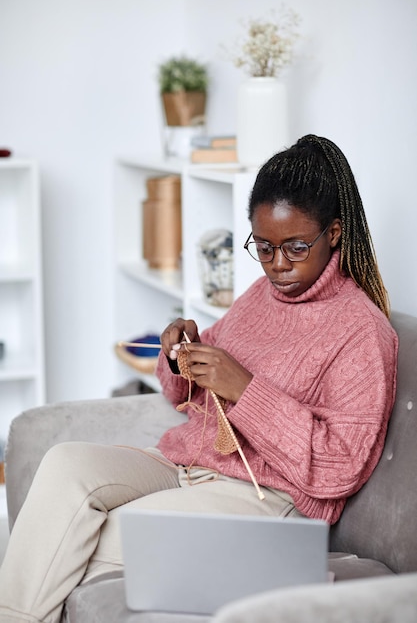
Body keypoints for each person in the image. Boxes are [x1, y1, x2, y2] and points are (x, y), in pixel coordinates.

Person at [0, 134, 398, 623]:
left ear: (334, 232)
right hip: (188, 462)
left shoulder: (362, 331)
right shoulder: (260, 294)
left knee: (85, 536)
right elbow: (181, 392)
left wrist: (246, 390)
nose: (277, 265)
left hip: (267, 497)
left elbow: (341, 469)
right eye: (265, 247)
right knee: (63, 464)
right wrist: (177, 355)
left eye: (296, 247)